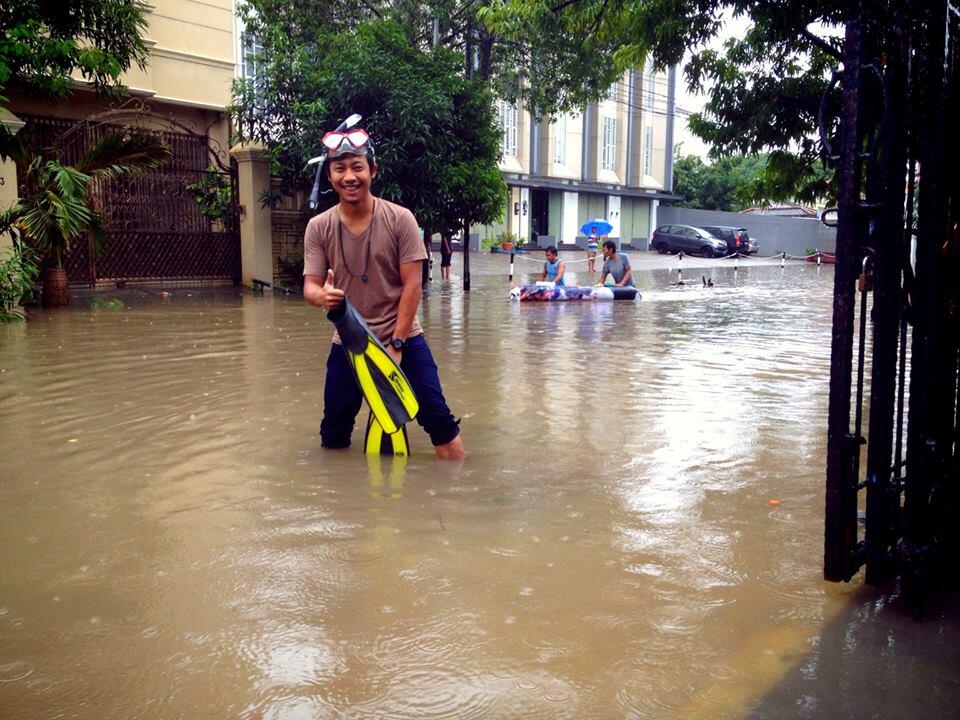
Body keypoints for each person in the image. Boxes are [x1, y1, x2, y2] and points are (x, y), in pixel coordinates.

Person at [302, 121, 466, 460]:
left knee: (437, 418)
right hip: (348, 341)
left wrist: (396, 344)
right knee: (333, 433)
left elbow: (412, 286)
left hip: (402, 337)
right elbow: (310, 286)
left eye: (357, 167)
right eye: (340, 168)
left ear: (372, 170)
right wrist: (322, 297)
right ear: (330, 176)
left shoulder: (400, 219)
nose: (349, 176)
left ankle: (455, 488)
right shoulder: (318, 228)